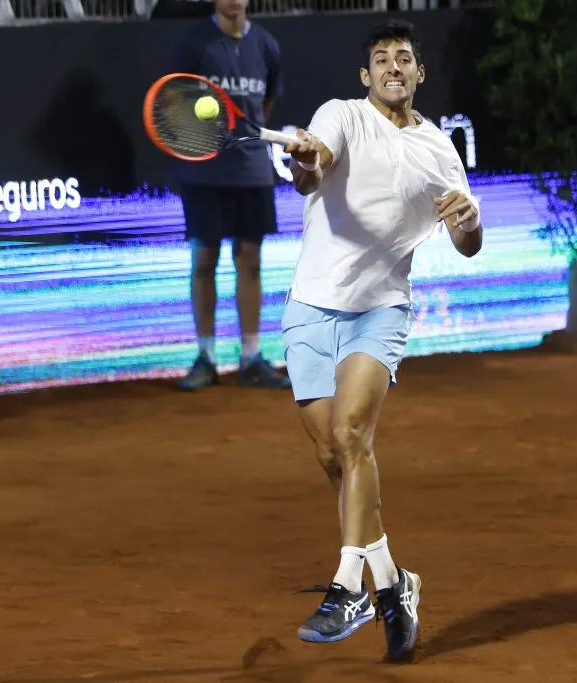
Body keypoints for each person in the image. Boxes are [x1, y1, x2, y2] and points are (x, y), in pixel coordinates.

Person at [279, 19, 484, 662]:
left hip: (381, 310)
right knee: (334, 460)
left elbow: (468, 243)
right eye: (381, 58)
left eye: (404, 57)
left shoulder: (440, 152)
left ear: (418, 74)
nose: (393, 65)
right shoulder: (339, 115)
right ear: (366, 77)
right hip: (311, 305)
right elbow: (314, 171)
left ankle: (348, 589)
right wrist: (307, 159)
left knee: (352, 434)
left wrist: (471, 223)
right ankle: (394, 583)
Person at [170, 0, 292, 392]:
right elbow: (174, 102)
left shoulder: (268, 46)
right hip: (204, 171)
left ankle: (250, 357)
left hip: (252, 170)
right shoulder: (194, 43)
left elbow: (265, 105)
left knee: (250, 260)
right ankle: (205, 357)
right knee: (204, 259)